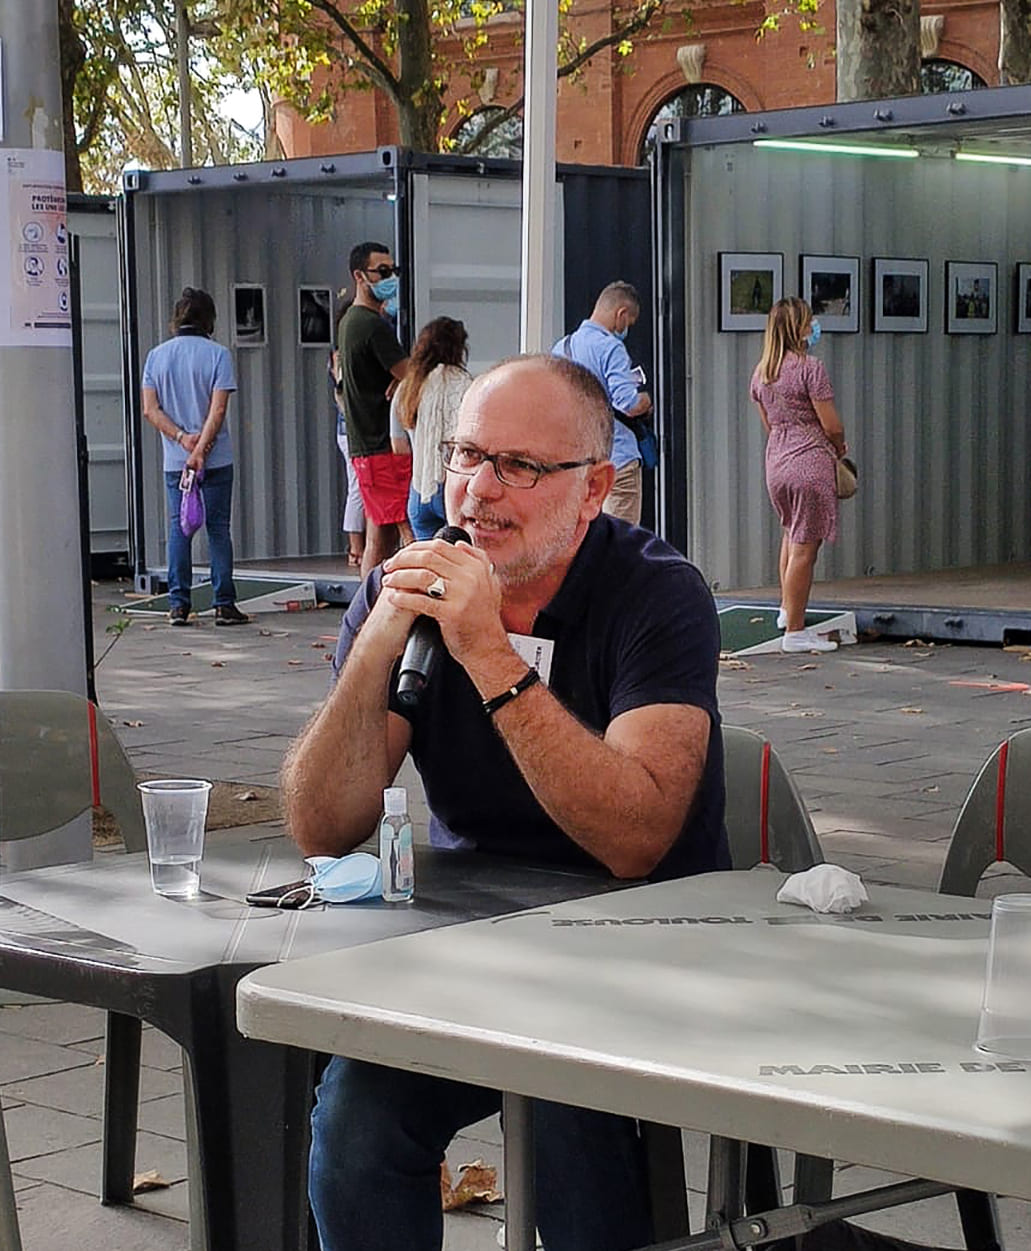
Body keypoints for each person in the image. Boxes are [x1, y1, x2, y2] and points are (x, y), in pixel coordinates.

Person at [282, 353, 728, 1251]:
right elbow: (323, 827)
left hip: (645, 945)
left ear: (592, 488)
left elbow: (635, 838)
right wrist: (376, 644)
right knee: (358, 1120)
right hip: (478, 943)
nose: (478, 489)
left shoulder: (656, 592)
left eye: (518, 466)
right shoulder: (407, 588)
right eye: (465, 455)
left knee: (566, 1109)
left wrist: (488, 651)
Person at [141, 286, 250, 627]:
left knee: (179, 528)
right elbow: (218, 411)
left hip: (177, 461)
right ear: (209, 320)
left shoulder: (156, 357)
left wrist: (181, 438)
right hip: (215, 459)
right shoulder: (218, 355)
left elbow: (150, 410)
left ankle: (178, 604)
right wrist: (202, 448)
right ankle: (224, 604)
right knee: (218, 529)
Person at [749, 297, 848, 654]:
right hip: (809, 461)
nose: (814, 327)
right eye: (809, 322)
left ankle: (785, 610)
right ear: (798, 329)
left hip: (777, 462)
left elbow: (769, 423)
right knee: (806, 548)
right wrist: (839, 446)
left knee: (791, 533)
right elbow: (831, 424)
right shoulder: (810, 368)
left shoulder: (762, 373)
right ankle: (795, 631)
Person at [337, 241, 411, 578]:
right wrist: (404, 379)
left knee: (380, 533)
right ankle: (373, 602)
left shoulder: (351, 321)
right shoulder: (371, 325)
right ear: (359, 276)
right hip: (382, 445)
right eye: (381, 272)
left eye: (392, 271)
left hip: (366, 445)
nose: (389, 278)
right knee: (400, 532)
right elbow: (411, 374)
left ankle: (370, 602)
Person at [553, 281, 652, 526]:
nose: (626, 328)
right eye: (629, 323)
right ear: (621, 314)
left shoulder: (561, 348)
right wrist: (645, 401)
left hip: (577, 459)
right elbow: (627, 403)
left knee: (582, 534)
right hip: (616, 457)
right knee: (620, 537)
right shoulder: (611, 348)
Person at [389, 316, 471, 540]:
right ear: (459, 349)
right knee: (457, 556)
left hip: (419, 490)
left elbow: (399, 447)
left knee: (428, 558)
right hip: (452, 488)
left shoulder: (406, 389)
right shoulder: (465, 385)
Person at [331, 293, 365, 568]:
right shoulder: (341, 355)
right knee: (357, 488)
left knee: (358, 487)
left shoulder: (340, 353)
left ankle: (357, 546)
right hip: (352, 428)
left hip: (347, 427)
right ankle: (356, 548)